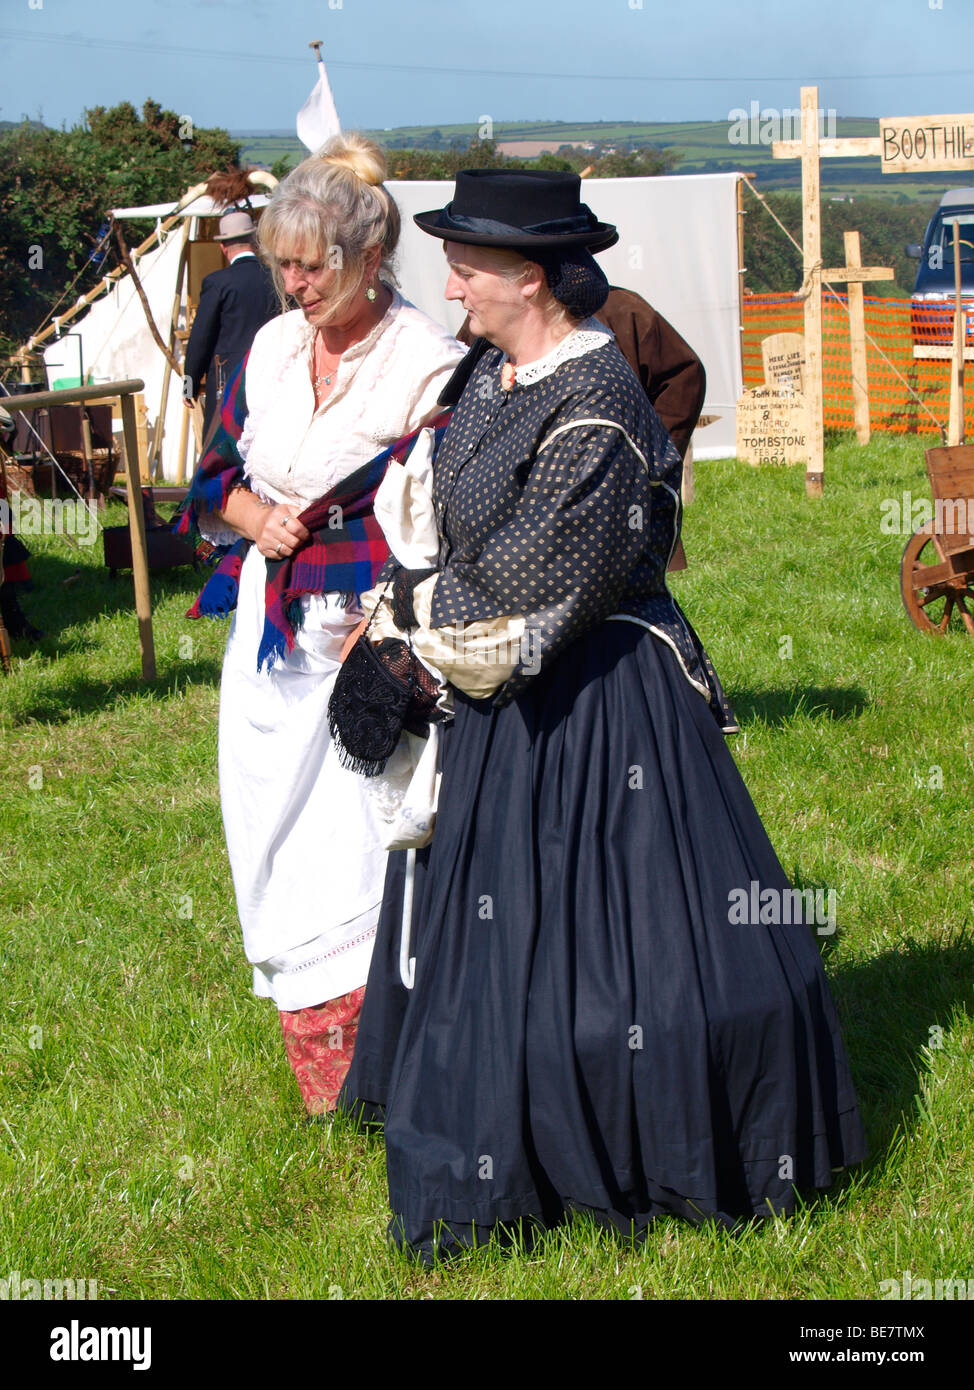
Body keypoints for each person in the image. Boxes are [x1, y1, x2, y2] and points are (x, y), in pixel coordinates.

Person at [338, 169, 867, 1262]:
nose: (449, 283)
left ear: (529, 277)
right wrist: (403, 595)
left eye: (467, 265)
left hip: (595, 700)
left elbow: (538, 580)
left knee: (637, 960)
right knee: (491, 943)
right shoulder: (489, 371)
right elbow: (438, 504)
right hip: (495, 695)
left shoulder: (599, 404)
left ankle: (637, 1135)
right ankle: (512, 1119)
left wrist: (399, 624)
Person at [178, 135, 464, 1117]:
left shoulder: (422, 362)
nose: (289, 283)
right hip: (269, 637)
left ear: (368, 259)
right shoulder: (267, 347)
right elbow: (214, 478)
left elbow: (445, 519)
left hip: (365, 642)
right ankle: (324, 1071)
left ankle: (395, 1070)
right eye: (280, 263)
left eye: (310, 265)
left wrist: (385, 625)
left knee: (362, 847)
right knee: (272, 845)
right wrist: (256, 518)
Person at [457, 284, 706, 459]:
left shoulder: (626, 310)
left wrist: (650, 457)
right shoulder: (491, 319)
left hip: (621, 493)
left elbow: (685, 377)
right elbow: (460, 396)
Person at [182, 208, 280, 440]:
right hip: (273, 376)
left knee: (222, 448)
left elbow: (200, 341)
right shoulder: (278, 279)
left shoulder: (217, 283)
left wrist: (189, 387)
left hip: (229, 382)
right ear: (254, 242)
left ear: (223, 246)